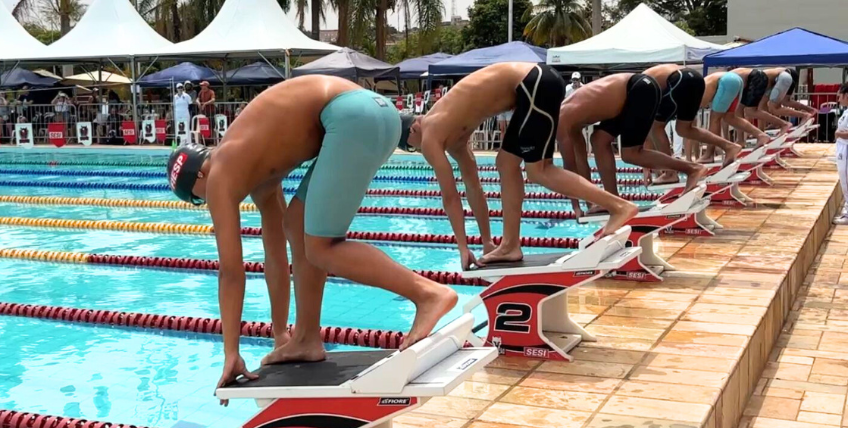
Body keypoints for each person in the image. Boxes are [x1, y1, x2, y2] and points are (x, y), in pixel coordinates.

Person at [165, 75, 457, 400]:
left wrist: (230, 353)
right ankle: (305, 337)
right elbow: (275, 256)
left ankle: (427, 293)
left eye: (195, 198)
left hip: (352, 115)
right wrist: (279, 335)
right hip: (375, 112)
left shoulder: (219, 173)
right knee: (297, 225)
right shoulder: (253, 169)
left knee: (320, 247)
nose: (203, 203)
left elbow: (231, 272)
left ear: (199, 175)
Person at [402, 63, 639, 267]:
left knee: (540, 170)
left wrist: (462, 249)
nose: (418, 150)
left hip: (532, 82)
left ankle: (618, 206)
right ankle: (510, 245)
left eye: (412, 147)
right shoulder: (452, 134)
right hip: (534, 84)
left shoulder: (431, 132)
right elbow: (473, 189)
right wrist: (485, 242)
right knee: (505, 162)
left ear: (413, 129)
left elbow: (450, 198)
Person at [559, 73, 706, 210]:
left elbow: (569, 169)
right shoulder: (568, 122)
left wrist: (576, 208)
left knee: (630, 154)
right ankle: (612, 199)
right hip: (629, 95)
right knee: (598, 139)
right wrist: (588, 204)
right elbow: (580, 164)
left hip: (639, 89)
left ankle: (692, 169)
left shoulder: (562, 120)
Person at [641, 65, 743, 183]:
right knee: (684, 129)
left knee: (655, 127)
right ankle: (729, 146)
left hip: (679, 79)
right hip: (696, 78)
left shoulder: (633, 94)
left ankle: (670, 173)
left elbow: (644, 136)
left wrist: (646, 168)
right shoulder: (638, 82)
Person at [697, 71, 772, 163]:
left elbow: (701, 106)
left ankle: (709, 155)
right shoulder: (699, 84)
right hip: (736, 80)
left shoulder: (693, 93)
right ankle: (761, 135)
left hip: (727, 81)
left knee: (714, 119)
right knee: (730, 117)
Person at [731, 68, 793, 135]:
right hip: (756, 78)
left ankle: (784, 124)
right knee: (741, 110)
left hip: (757, 79)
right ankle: (742, 139)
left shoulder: (726, 80)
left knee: (751, 111)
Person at [834, 83, 848, 225]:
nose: (838, 99)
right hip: (842, 149)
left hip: (846, 149)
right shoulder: (846, 112)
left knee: (846, 181)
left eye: (840, 96)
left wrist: (839, 134)